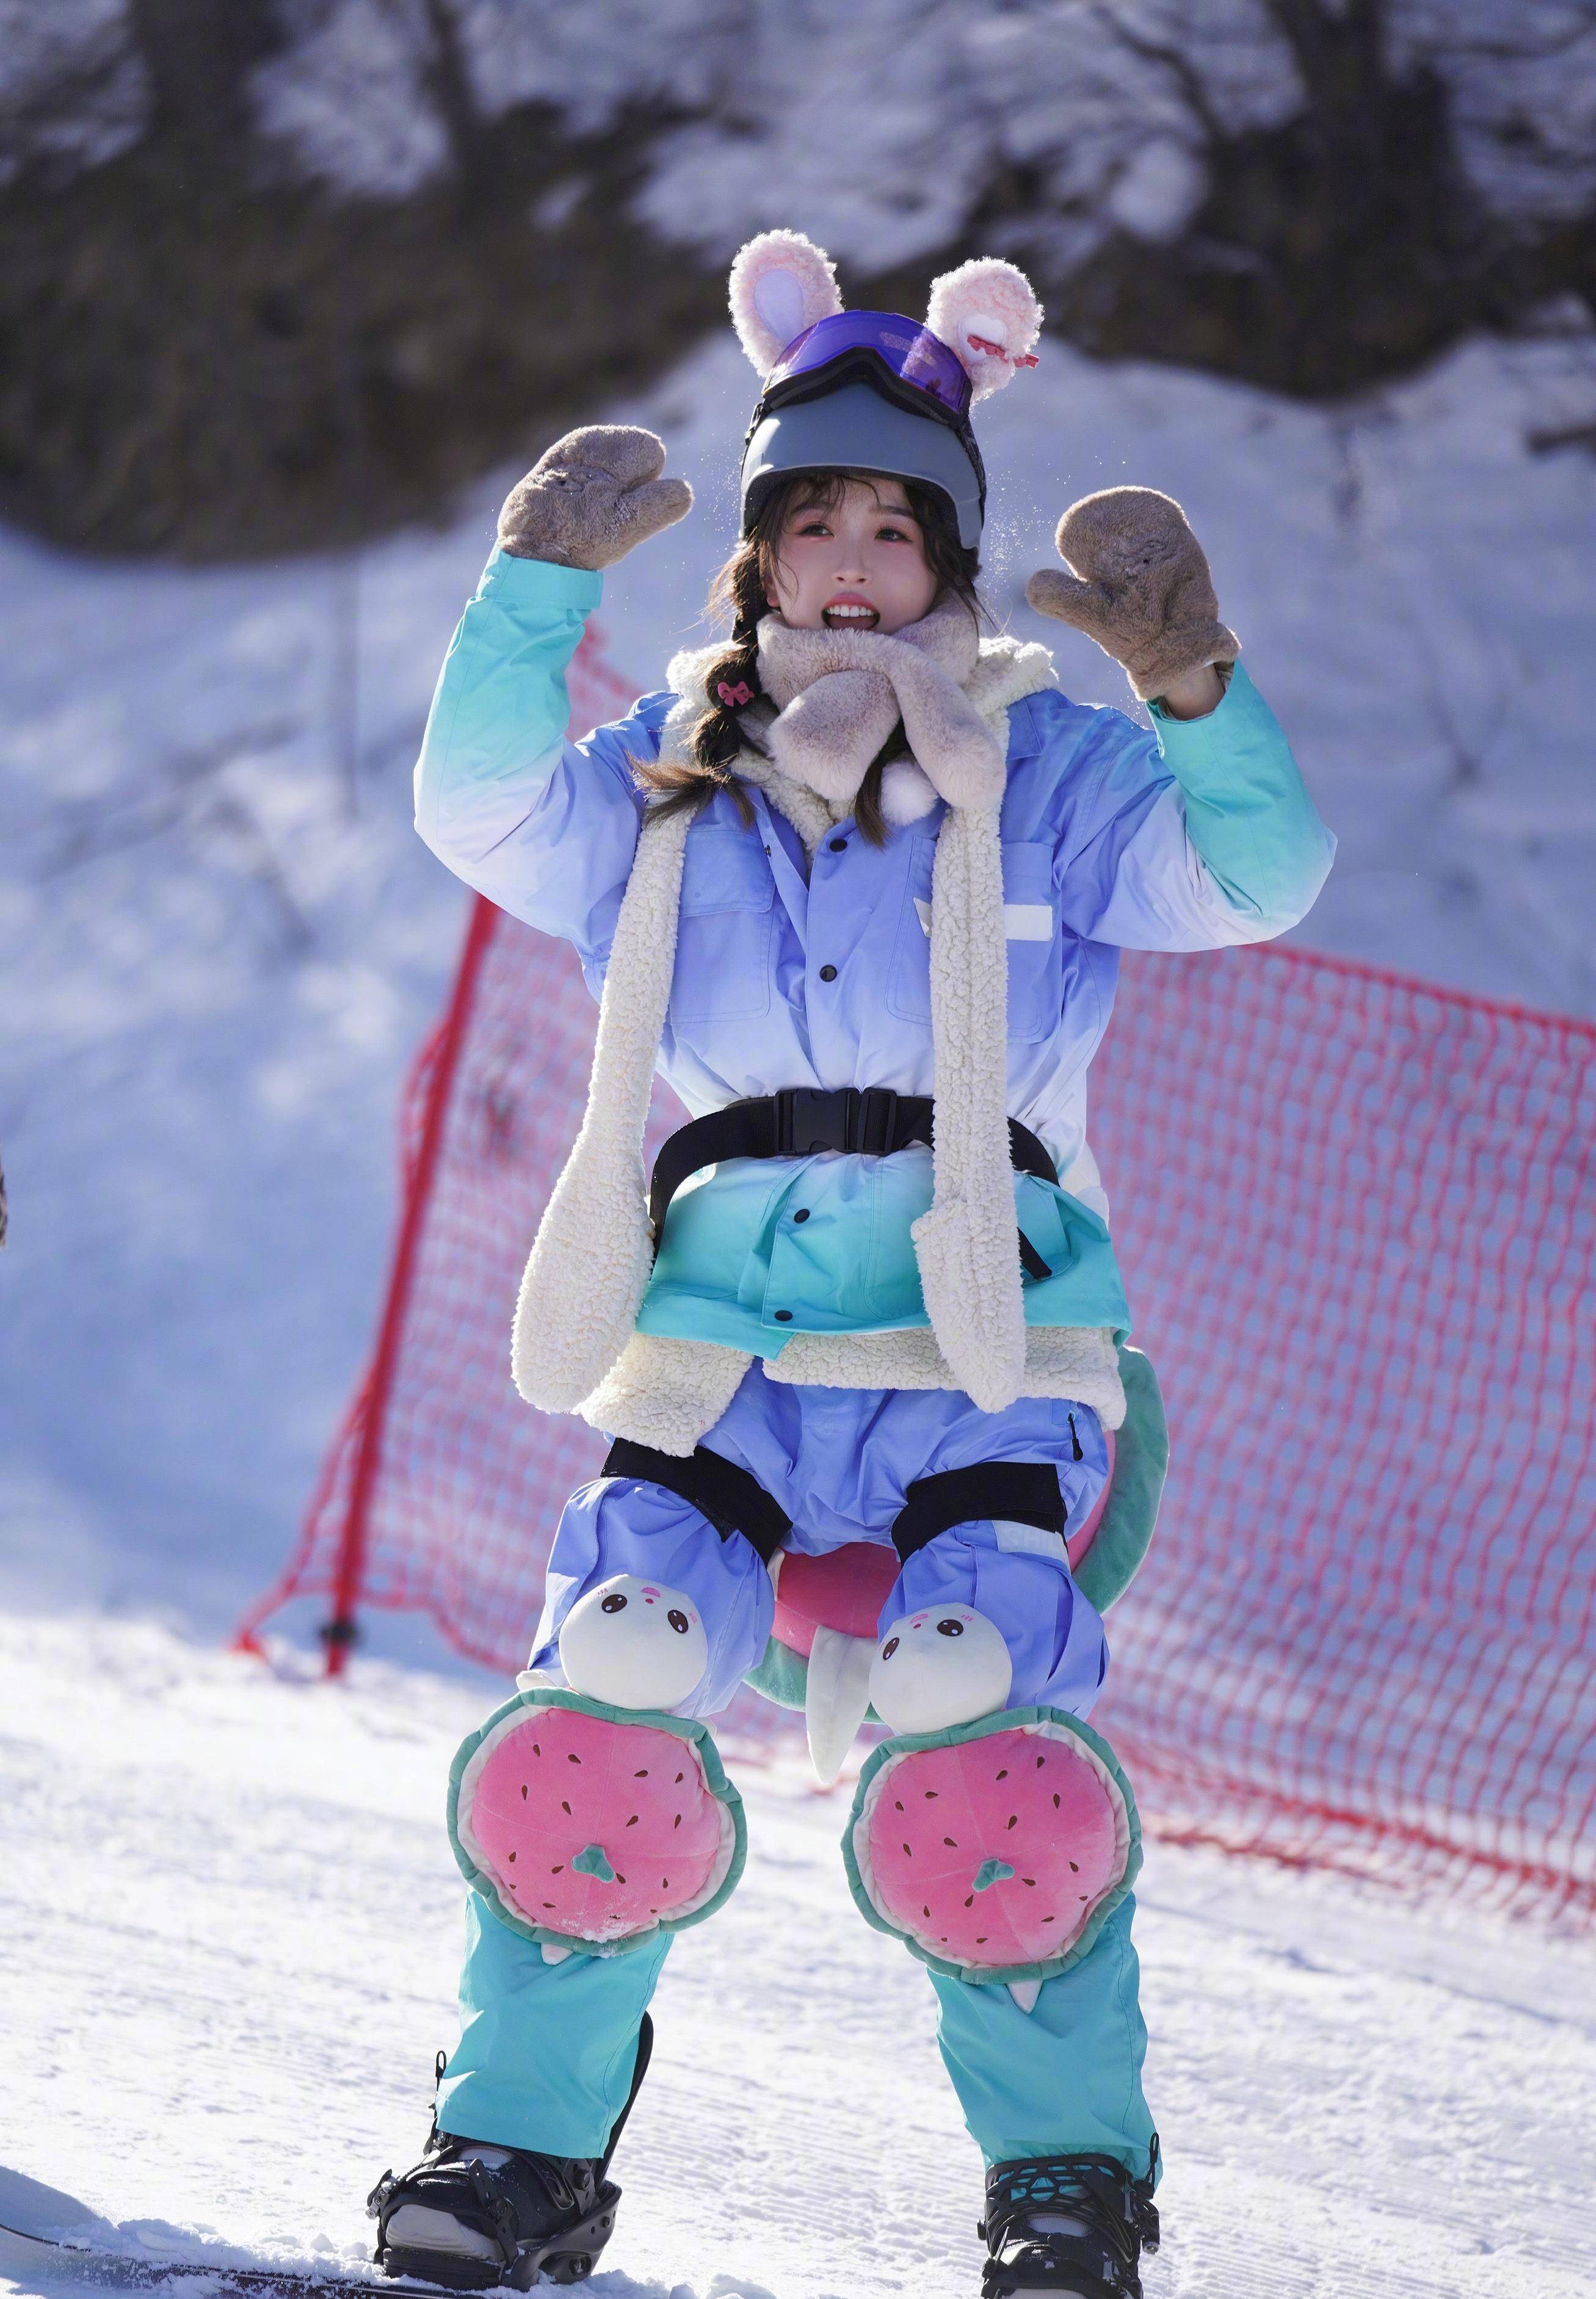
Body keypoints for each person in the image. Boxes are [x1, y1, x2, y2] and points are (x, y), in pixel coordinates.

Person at [366, 230, 1334, 2298]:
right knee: (601, 1713)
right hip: (716, 1347)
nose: (854, 558)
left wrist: (1189, 687)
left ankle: (1069, 2190)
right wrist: (533, 587)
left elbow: (1259, 878)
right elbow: (465, 804)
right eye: (813, 517)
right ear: (758, 552)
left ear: (951, 554)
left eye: (898, 523)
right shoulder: (668, 777)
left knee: (990, 1758)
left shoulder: (1051, 774)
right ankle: (511, 2155)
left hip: (982, 1345)